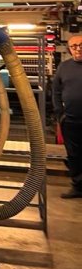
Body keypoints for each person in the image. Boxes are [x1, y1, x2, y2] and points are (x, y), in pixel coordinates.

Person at [53, 35, 82, 198]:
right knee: (74, 155)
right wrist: (60, 113)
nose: (78, 48)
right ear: (69, 49)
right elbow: (56, 91)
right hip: (70, 120)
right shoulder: (64, 67)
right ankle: (78, 187)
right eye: (74, 46)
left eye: (81, 45)